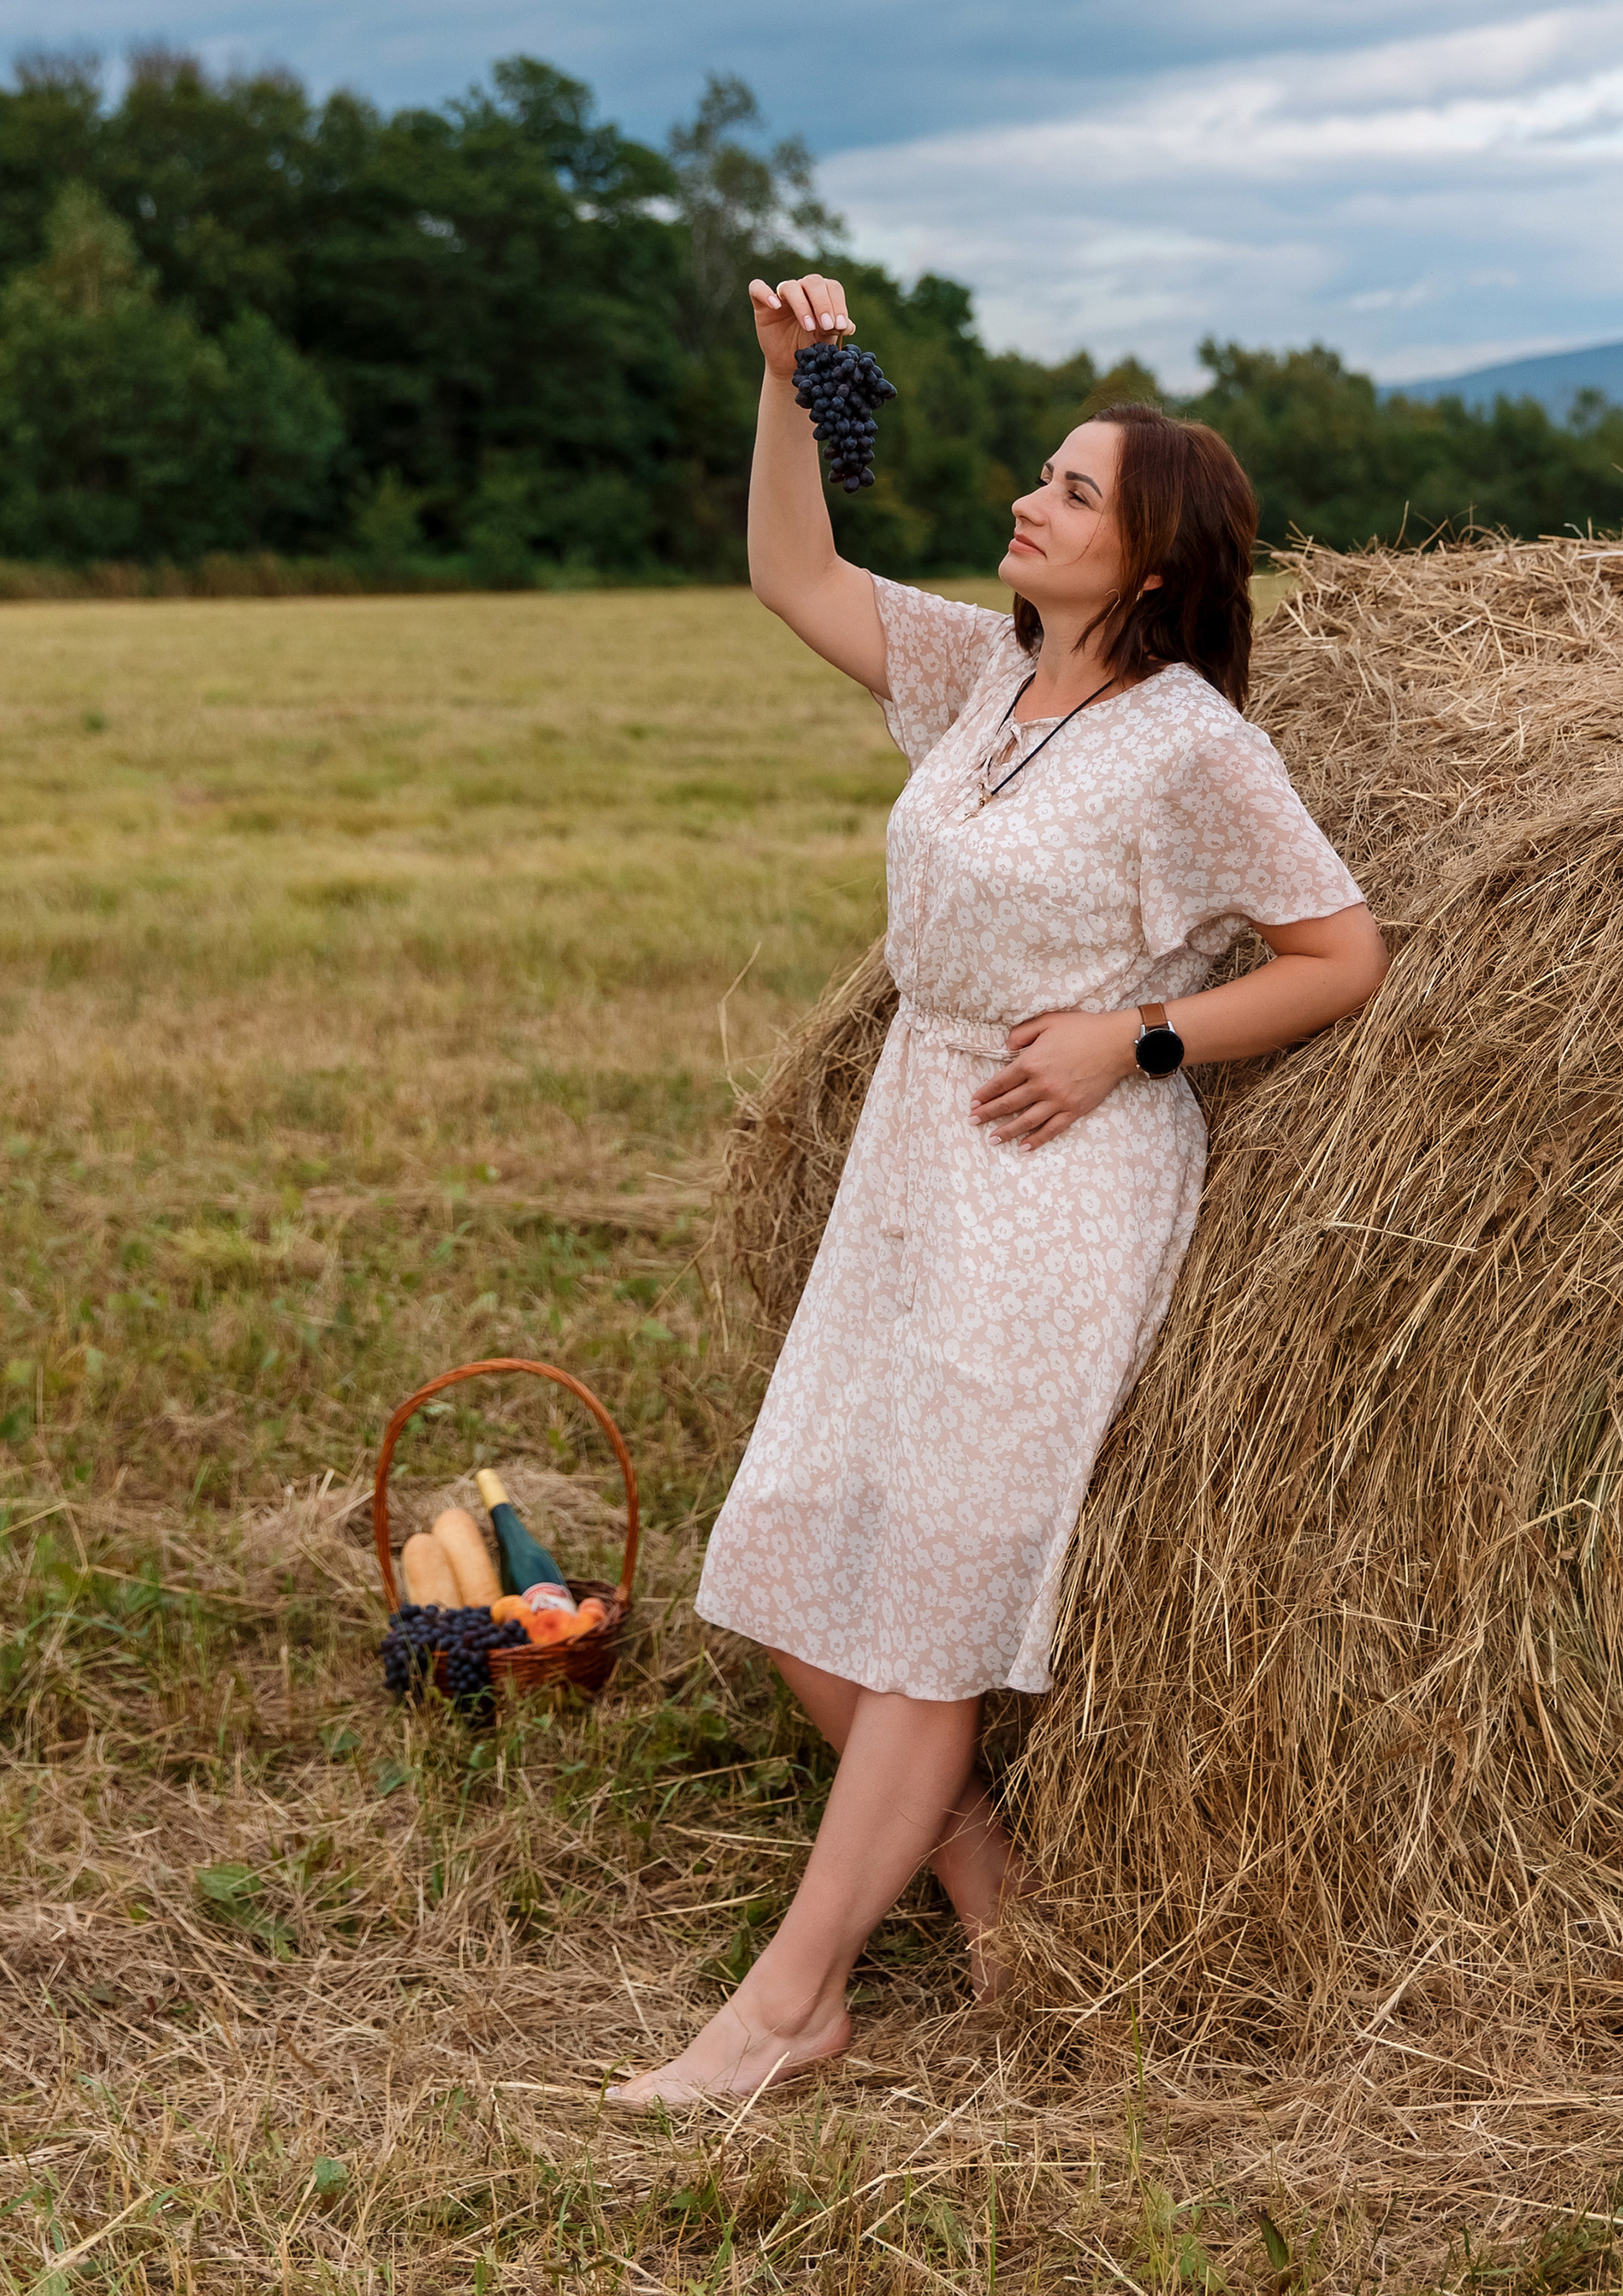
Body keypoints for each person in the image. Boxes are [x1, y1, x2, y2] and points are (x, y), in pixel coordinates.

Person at [610, 270, 1388, 2109]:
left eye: (1070, 491)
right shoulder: (982, 676)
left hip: (1059, 1183)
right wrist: (788, 385)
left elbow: (1339, 953)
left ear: (1149, 558)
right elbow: (792, 575)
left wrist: (1140, 1037)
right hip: (910, 1150)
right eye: (1041, 474)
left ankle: (790, 2002)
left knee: (937, 1605)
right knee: (790, 1554)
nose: (1027, 501)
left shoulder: (1195, 742)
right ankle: (990, 1894)